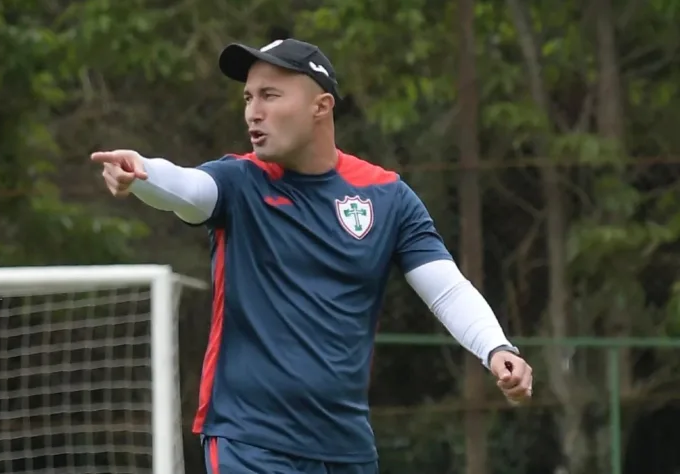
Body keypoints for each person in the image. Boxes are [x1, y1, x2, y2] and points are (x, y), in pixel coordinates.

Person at [91, 38, 533, 474]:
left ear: (320, 106)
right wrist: (142, 173)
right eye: (248, 97)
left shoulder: (387, 196)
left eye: (270, 95)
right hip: (249, 442)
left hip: (346, 448)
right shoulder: (240, 182)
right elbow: (187, 188)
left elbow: (447, 289)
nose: (252, 111)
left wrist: (496, 349)